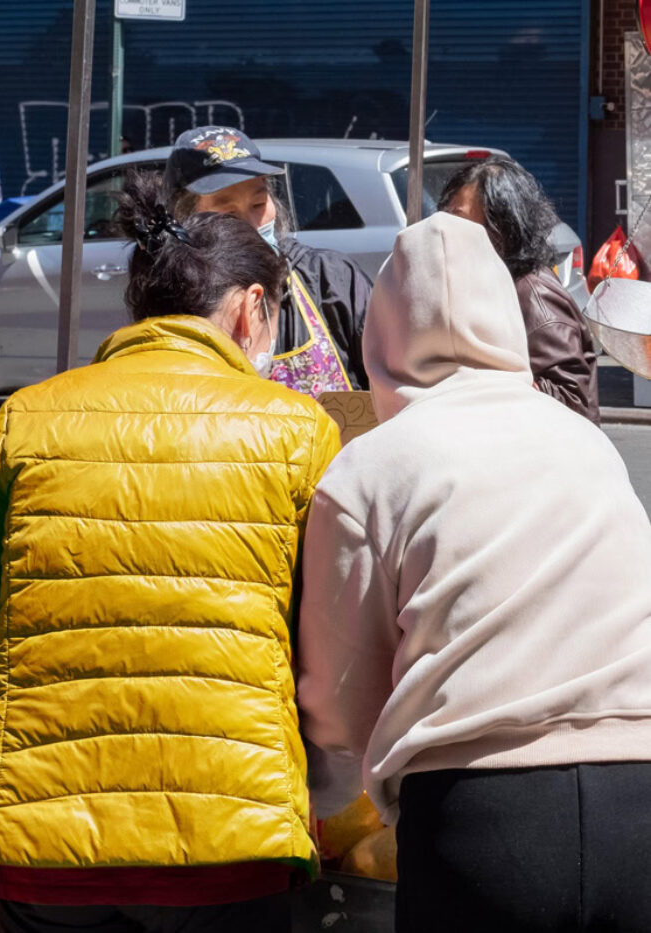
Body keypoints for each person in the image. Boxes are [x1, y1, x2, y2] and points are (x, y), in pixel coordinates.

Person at [0, 172, 340, 932]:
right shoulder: (298, 430)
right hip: (233, 830)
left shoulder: (22, 419)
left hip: (37, 831)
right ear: (251, 309)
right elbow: (326, 640)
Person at [297, 212, 651, 932]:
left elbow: (339, 703)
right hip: (640, 792)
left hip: (478, 815)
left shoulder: (368, 468)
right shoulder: (586, 444)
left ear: (381, 334)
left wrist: (332, 797)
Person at [163, 126, 371, 396]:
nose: (249, 225)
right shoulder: (173, 298)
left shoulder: (329, 278)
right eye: (227, 212)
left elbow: (390, 382)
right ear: (184, 218)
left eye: (259, 204)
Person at [438, 156, 600, 423]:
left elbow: (574, 401)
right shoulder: (486, 281)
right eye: (446, 217)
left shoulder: (535, 296)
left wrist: (484, 385)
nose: (447, 231)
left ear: (504, 227)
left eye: (462, 220)